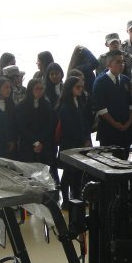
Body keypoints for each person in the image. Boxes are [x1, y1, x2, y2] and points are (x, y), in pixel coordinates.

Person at [57, 76, 94, 204]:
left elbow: (84, 123)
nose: (80, 89)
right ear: (70, 88)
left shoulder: (78, 102)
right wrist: (83, 140)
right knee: (68, 173)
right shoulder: (65, 106)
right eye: (77, 87)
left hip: (79, 143)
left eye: (82, 87)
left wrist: (87, 138)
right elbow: (69, 127)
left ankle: (77, 197)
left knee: (77, 173)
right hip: (70, 144)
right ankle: (66, 200)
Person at [93, 50, 132, 158]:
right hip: (108, 130)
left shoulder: (125, 80)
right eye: (118, 62)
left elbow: (130, 102)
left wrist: (129, 120)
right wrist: (114, 123)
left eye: (123, 62)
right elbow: (100, 107)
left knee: (124, 159)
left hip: (125, 129)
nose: (122, 65)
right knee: (109, 161)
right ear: (109, 64)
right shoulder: (100, 82)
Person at [15, 79, 55, 166]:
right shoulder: (22, 105)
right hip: (28, 144)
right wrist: (35, 141)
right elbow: (22, 127)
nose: (39, 91)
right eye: (36, 88)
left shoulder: (46, 104)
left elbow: (50, 124)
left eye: (41, 89)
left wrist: (40, 141)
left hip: (44, 144)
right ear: (30, 90)